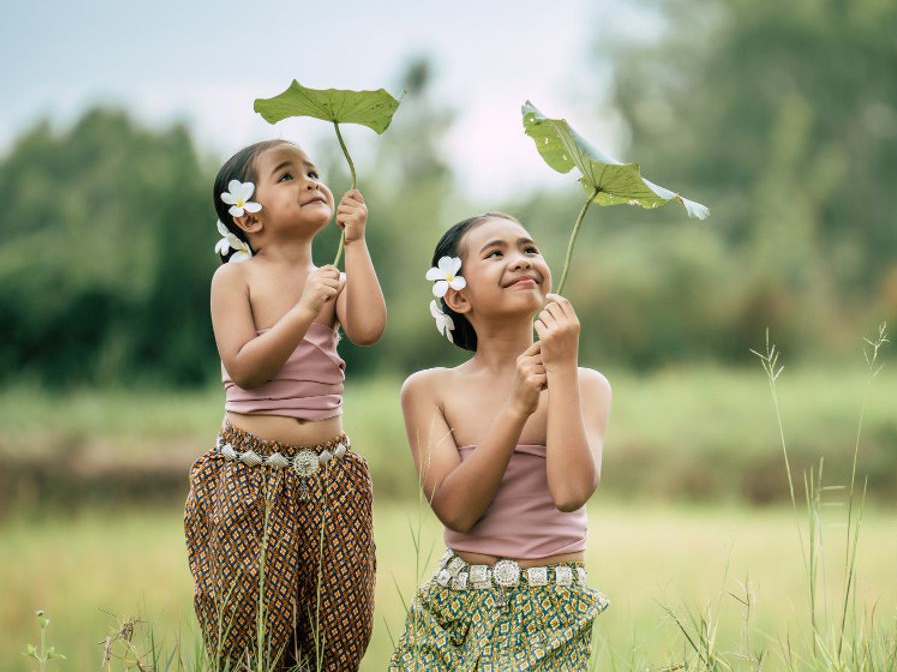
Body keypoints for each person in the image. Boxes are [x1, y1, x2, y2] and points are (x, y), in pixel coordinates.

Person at [183, 139, 385, 670]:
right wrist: (303, 310)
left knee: (340, 616)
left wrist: (357, 243)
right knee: (251, 618)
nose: (312, 181)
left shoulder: (330, 277)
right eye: (288, 175)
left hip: (329, 471)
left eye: (314, 171)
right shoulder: (236, 278)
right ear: (248, 216)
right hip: (252, 472)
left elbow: (367, 329)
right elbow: (246, 367)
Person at [390, 212, 611, 669]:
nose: (521, 260)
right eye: (496, 253)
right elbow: (457, 512)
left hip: (550, 607)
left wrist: (563, 367)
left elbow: (570, 493)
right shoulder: (429, 390)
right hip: (453, 606)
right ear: (457, 294)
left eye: (529, 249)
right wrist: (517, 408)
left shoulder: (587, 385)